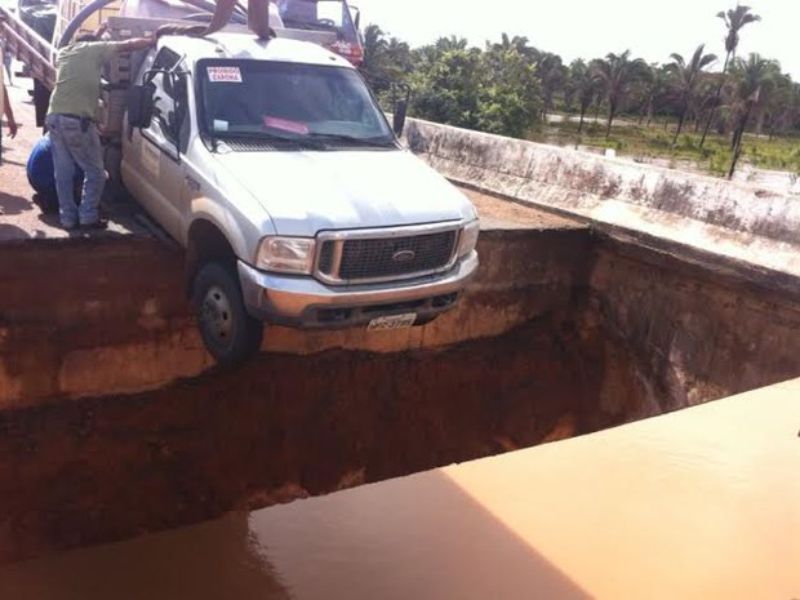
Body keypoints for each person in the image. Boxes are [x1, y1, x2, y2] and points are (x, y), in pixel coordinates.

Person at [45, 24, 176, 230]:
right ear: (95, 45)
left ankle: (67, 219)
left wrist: (96, 34)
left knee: (63, 172)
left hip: (54, 118)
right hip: (77, 121)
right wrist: (152, 41)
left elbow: (87, 43)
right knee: (96, 172)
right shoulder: (95, 50)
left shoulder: (65, 52)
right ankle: (88, 216)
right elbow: (127, 45)